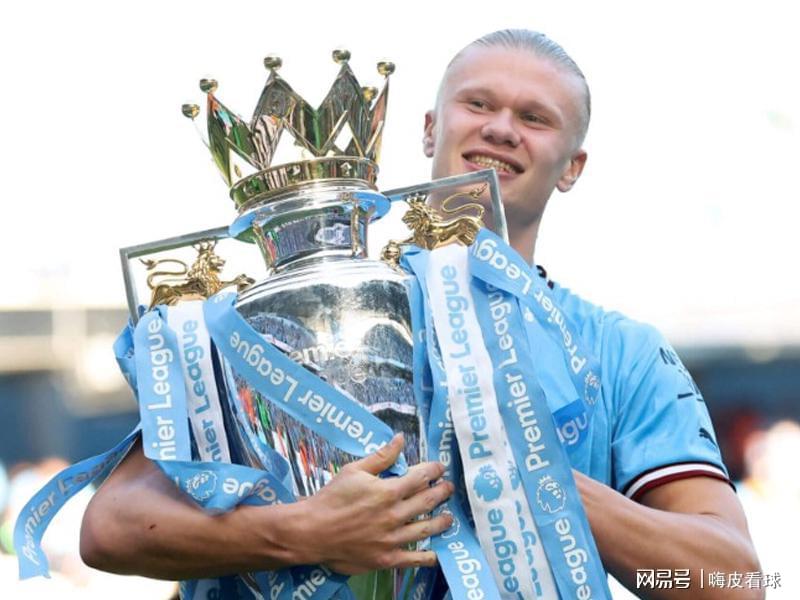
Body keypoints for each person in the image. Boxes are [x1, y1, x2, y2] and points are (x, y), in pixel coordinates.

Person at [81, 29, 762, 598]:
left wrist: (532, 470)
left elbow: (733, 582)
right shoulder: (293, 310)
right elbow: (111, 526)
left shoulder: (619, 351)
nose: (501, 128)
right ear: (431, 127)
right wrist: (301, 531)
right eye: (478, 103)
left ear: (572, 167)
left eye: (535, 118)